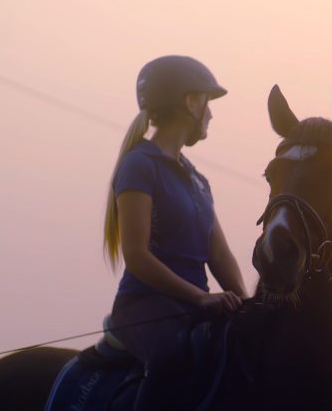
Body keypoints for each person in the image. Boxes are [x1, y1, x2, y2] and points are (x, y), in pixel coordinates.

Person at [103, 55, 247, 410]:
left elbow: (220, 255)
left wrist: (245, 305)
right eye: (208, 103)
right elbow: (136, 256)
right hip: (143, 308)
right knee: (172, 358)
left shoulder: (198, 180)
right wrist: (201, 298)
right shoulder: (139, 164)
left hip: (193, 307)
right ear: (191, 102)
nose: (211, 114)